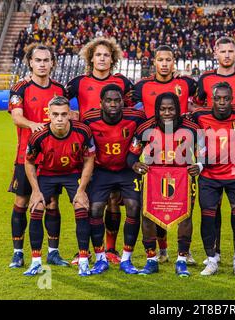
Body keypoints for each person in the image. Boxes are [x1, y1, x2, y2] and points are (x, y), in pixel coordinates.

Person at [66, 37, 134, 264]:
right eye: (98, 55)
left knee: (114, 201)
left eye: (106, 55)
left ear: (112, 59)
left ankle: (111, 250)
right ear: (91, 58)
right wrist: (72, 116)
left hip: (115, 151)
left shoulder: (123, 83)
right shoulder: (78, 82)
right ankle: (83, 250)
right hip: (87, 150)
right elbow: (55, 99)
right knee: (87, 201)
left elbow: (136, 109)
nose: (102, 58)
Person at [194, 36, 235, 267]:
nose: (227, 55)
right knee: (213, 206)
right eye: (223, 51)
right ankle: (216, 251)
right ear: (215, 53)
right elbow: (196, 104)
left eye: (231, 51)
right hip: (213, 144)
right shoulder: (206, 79)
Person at [132, 45, 198, 264]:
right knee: (154, 210)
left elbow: (208, 99)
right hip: (154, 159)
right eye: (160, 59)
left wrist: (202, 164)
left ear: (174, 62)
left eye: (168, 59)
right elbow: (124, 106)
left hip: (181, 166)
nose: (164, 63)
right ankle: (160, 252)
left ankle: (184, 253)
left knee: (184, 211)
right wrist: (135, 163)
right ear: (154, 62)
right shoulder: (142, 86)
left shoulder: (187, 83)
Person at [126, 92, 202, 277]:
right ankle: (151, 260)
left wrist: (199, 165)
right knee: (148, 217)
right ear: (157, 110)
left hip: (182, 178)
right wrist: (135, 164)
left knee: (185, 217)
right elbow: (131, 154)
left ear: (178, 110)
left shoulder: (192, 128)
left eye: (171, 109)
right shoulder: (145, 128)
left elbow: (204, 151)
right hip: (154, 178)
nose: (167, 112)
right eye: (163, 109)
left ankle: (181, 260)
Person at [7, 43, 67, 269]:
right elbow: (17, 117)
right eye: (38, 60)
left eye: (46, 60)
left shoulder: (60, 89)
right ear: (30, 62)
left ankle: (53, 252)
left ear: (52, 63)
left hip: (53, 159)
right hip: (26, 157)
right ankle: (18, 252)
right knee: (21, 202)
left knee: (52, 203)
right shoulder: (20, 88)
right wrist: (36, 125)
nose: (42, 64)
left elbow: (69, 116)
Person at [23, 96, 95, 276]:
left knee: (81, 206)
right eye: (55, 114)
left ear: (70, 114)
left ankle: (84, 261)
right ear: (49, 115)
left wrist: (81, 190)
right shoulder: (38, 135)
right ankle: (36, 262)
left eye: (64, 114)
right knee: (37, 207)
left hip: (73, 173)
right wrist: (35, 191)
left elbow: (89, 160)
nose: (60, 118)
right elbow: (29, 162)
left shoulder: (83, 131)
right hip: (47, 174)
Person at [191, 82, 235, 277]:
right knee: (208, 217)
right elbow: (176, 119)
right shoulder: (199, 116)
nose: (222, 102)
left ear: (232, 99)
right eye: (218, 98)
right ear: (211, 99)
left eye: (226, 98)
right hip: (209, 175)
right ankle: (211, 259)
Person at [82, 84, 146, 275]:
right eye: (108, 100)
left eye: (117, 100)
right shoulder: (89, 119)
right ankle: (101, 257)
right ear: (101, 102)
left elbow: (149, 132)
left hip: (127, 169)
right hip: (101, 171)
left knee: (134, 207)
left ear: (123, 101)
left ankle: (127, 258)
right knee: (95, 209)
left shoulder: (136, 117)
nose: (113, 104)